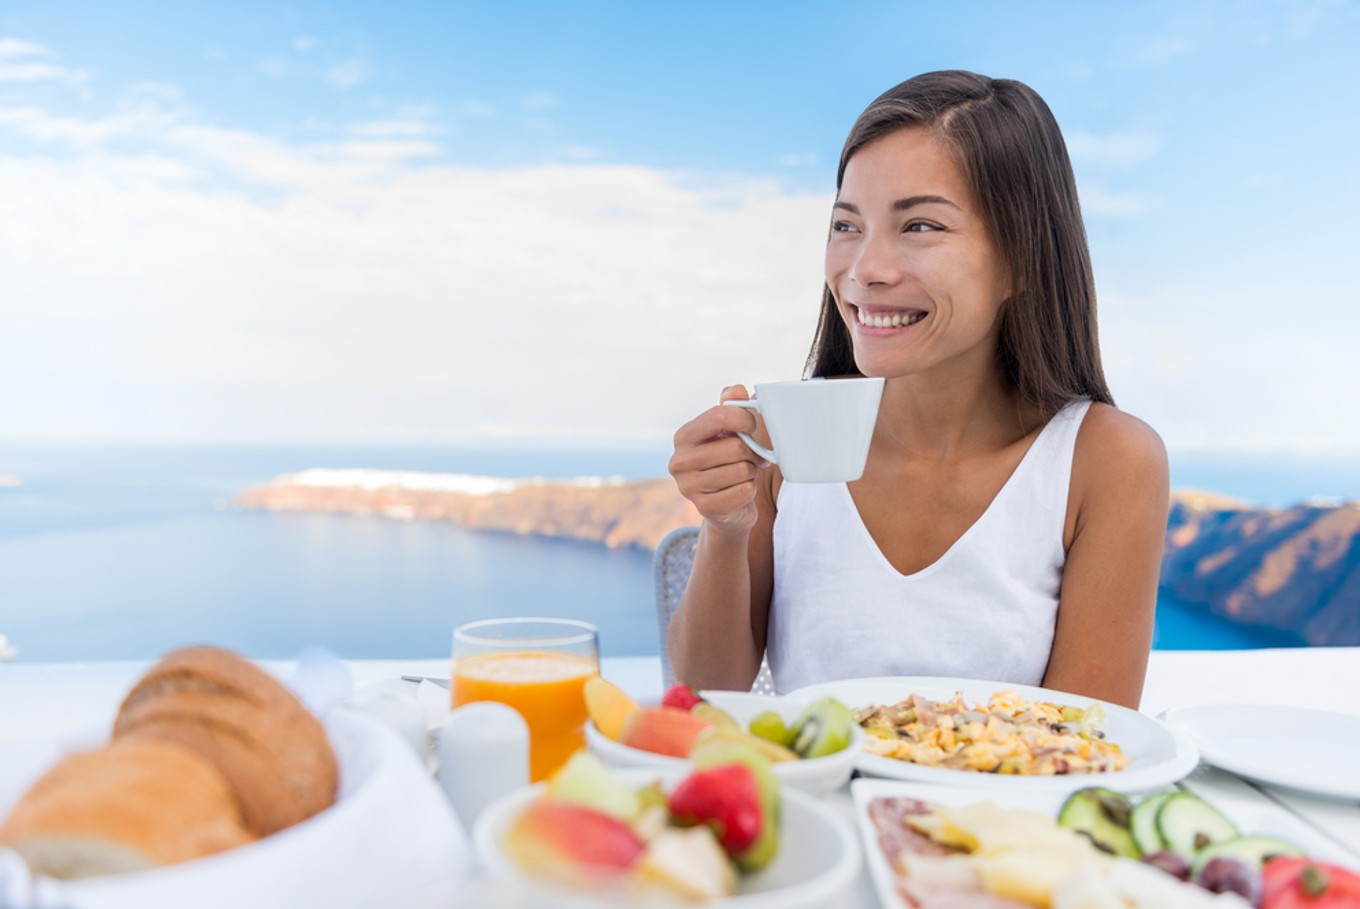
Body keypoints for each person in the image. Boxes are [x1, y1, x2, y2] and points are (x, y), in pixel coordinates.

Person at [666, 70, 1169, 710]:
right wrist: (725, 528)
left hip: (1002, 811)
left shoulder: (1108, 460)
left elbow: (1089, 740)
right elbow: (712, 689)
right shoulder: (788, 432)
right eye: (847, 226)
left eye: (920, 226)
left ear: (1021, 258)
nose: (864, 271)